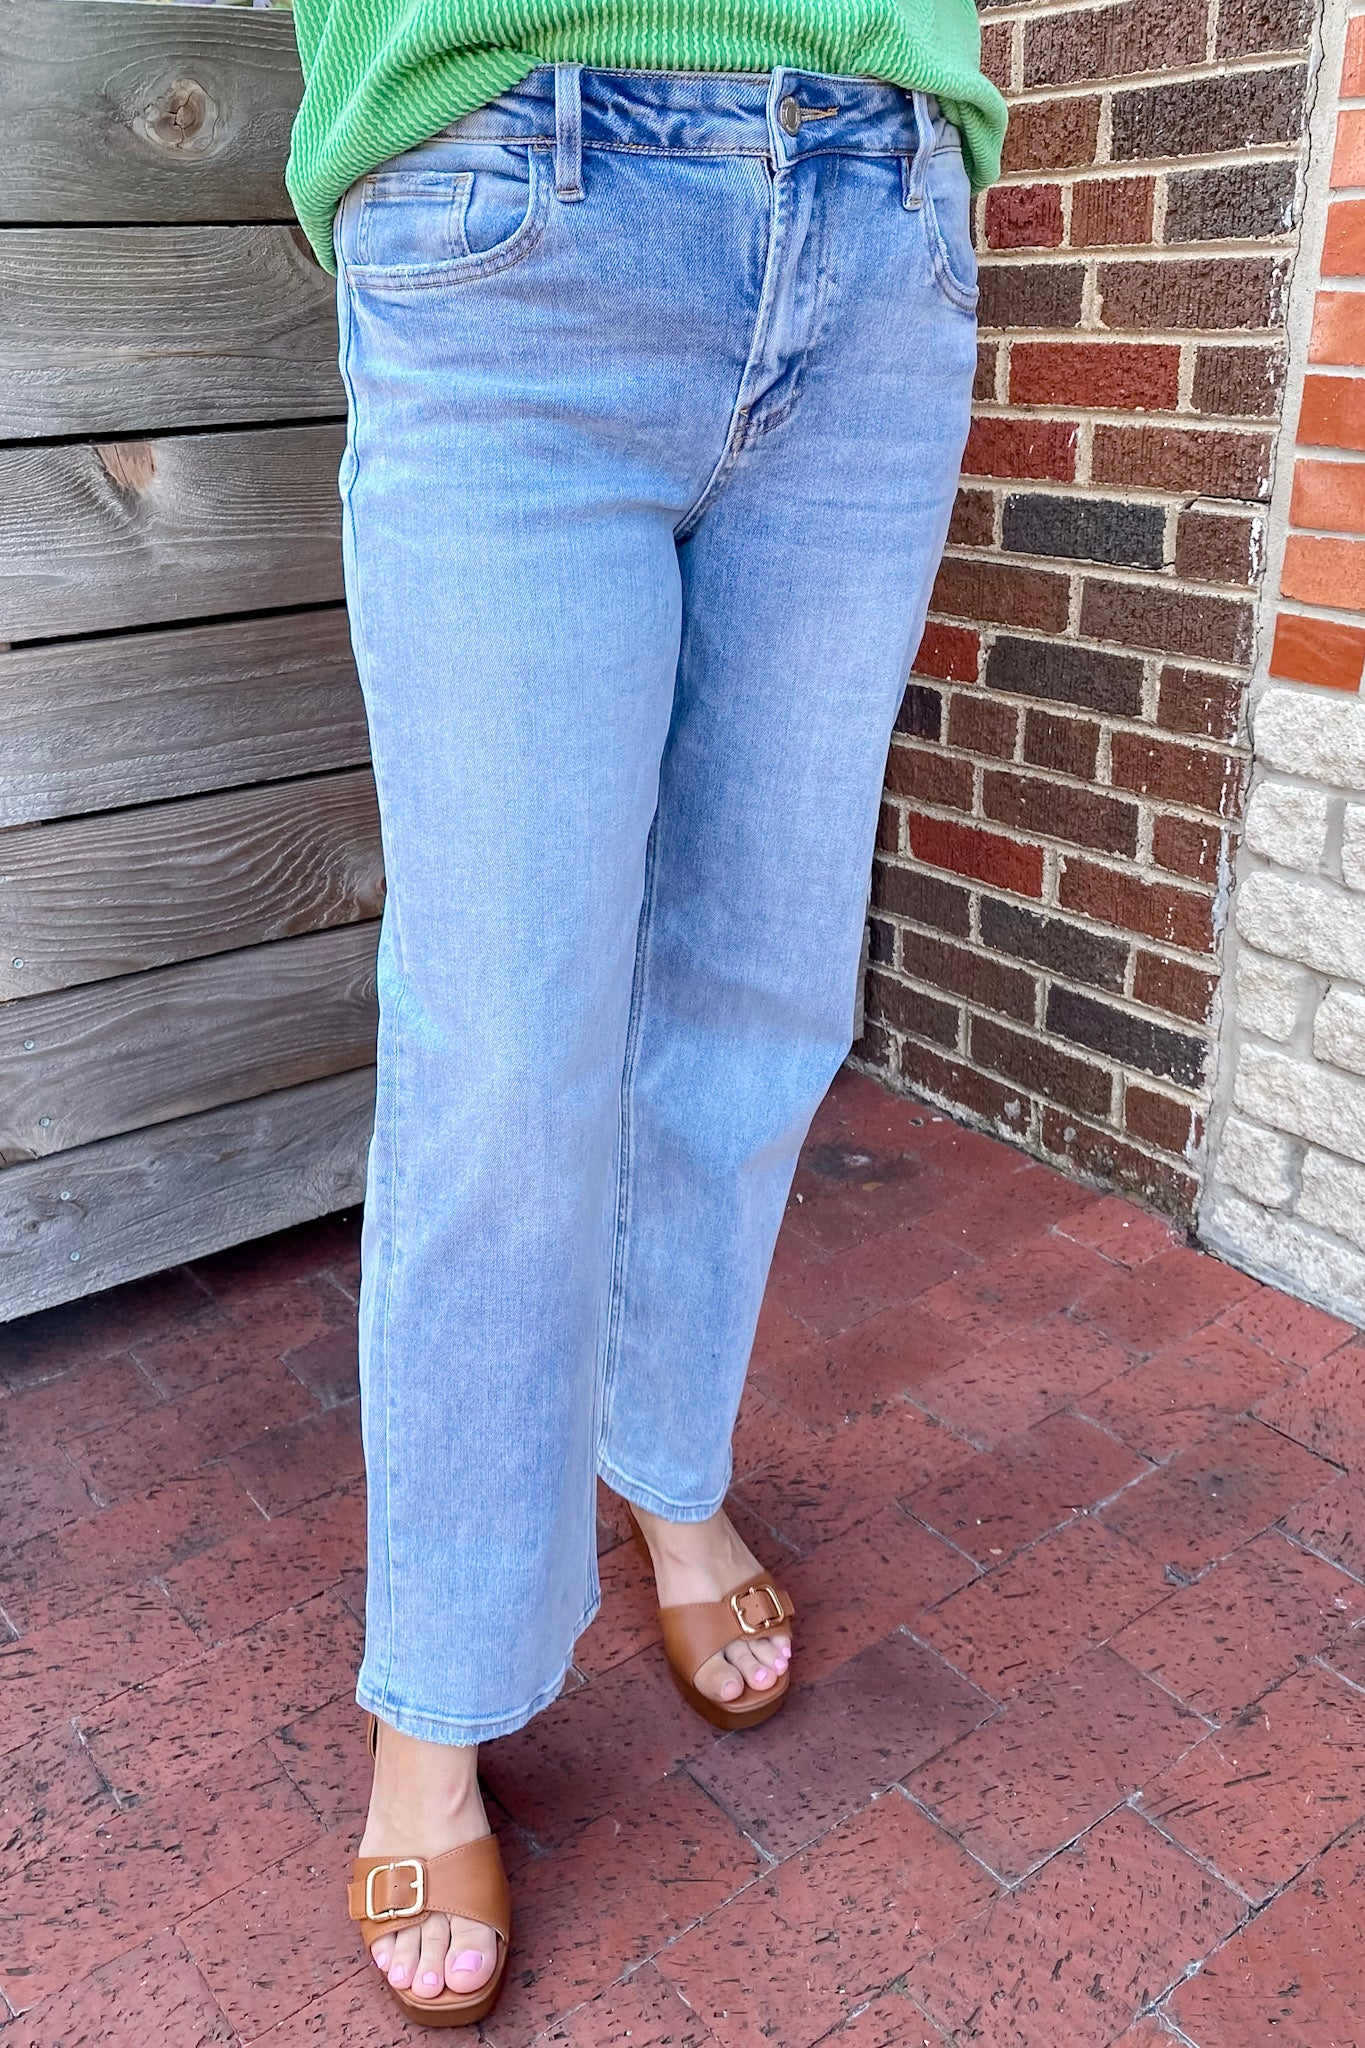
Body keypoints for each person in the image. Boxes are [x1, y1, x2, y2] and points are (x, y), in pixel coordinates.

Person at [285, 1, 1005, 2026]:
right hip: (512, 194)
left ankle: (666, 1468)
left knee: (763, 983)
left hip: (882, 220)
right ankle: (437, 1698)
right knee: (505, 1050)